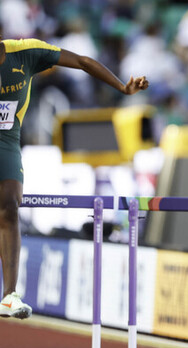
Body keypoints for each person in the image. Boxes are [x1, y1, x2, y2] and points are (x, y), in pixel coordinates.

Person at [0, 37, 148, 319]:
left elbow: (82, 62)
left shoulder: (25, 53)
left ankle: (9, 295)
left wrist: (122, 87)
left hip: (5, 142)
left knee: (8, 206)